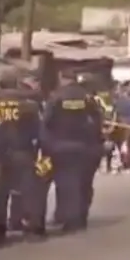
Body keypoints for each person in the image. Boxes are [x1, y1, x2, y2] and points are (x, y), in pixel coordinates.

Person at [0, 74, 48, 242]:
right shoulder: (29, 105)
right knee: (29, 191)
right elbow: (39, 130)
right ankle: (32, 228)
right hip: (24, 151)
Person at [40, 72, 104, 232]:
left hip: (61, 146)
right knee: (84, 183)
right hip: (86, 147)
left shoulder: (56, 97)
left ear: (62, 78)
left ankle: (69, 218)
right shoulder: (87, 97)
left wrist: (46, 145)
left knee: (66, 183)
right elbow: (97, 120)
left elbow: (47, 122)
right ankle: (81, 216)